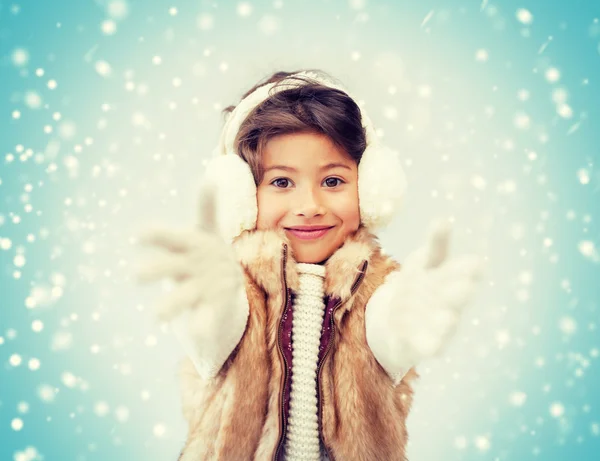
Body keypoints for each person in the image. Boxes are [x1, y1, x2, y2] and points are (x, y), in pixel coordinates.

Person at [138, 70, 483, 460]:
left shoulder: (376, 293)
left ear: (370, 188)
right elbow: (213, 333)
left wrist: (407, 314)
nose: (310, 206)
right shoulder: (235, 287)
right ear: (244, 195)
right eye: (282, 183)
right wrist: (210, 300)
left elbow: (387, 331)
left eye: (333, 181)